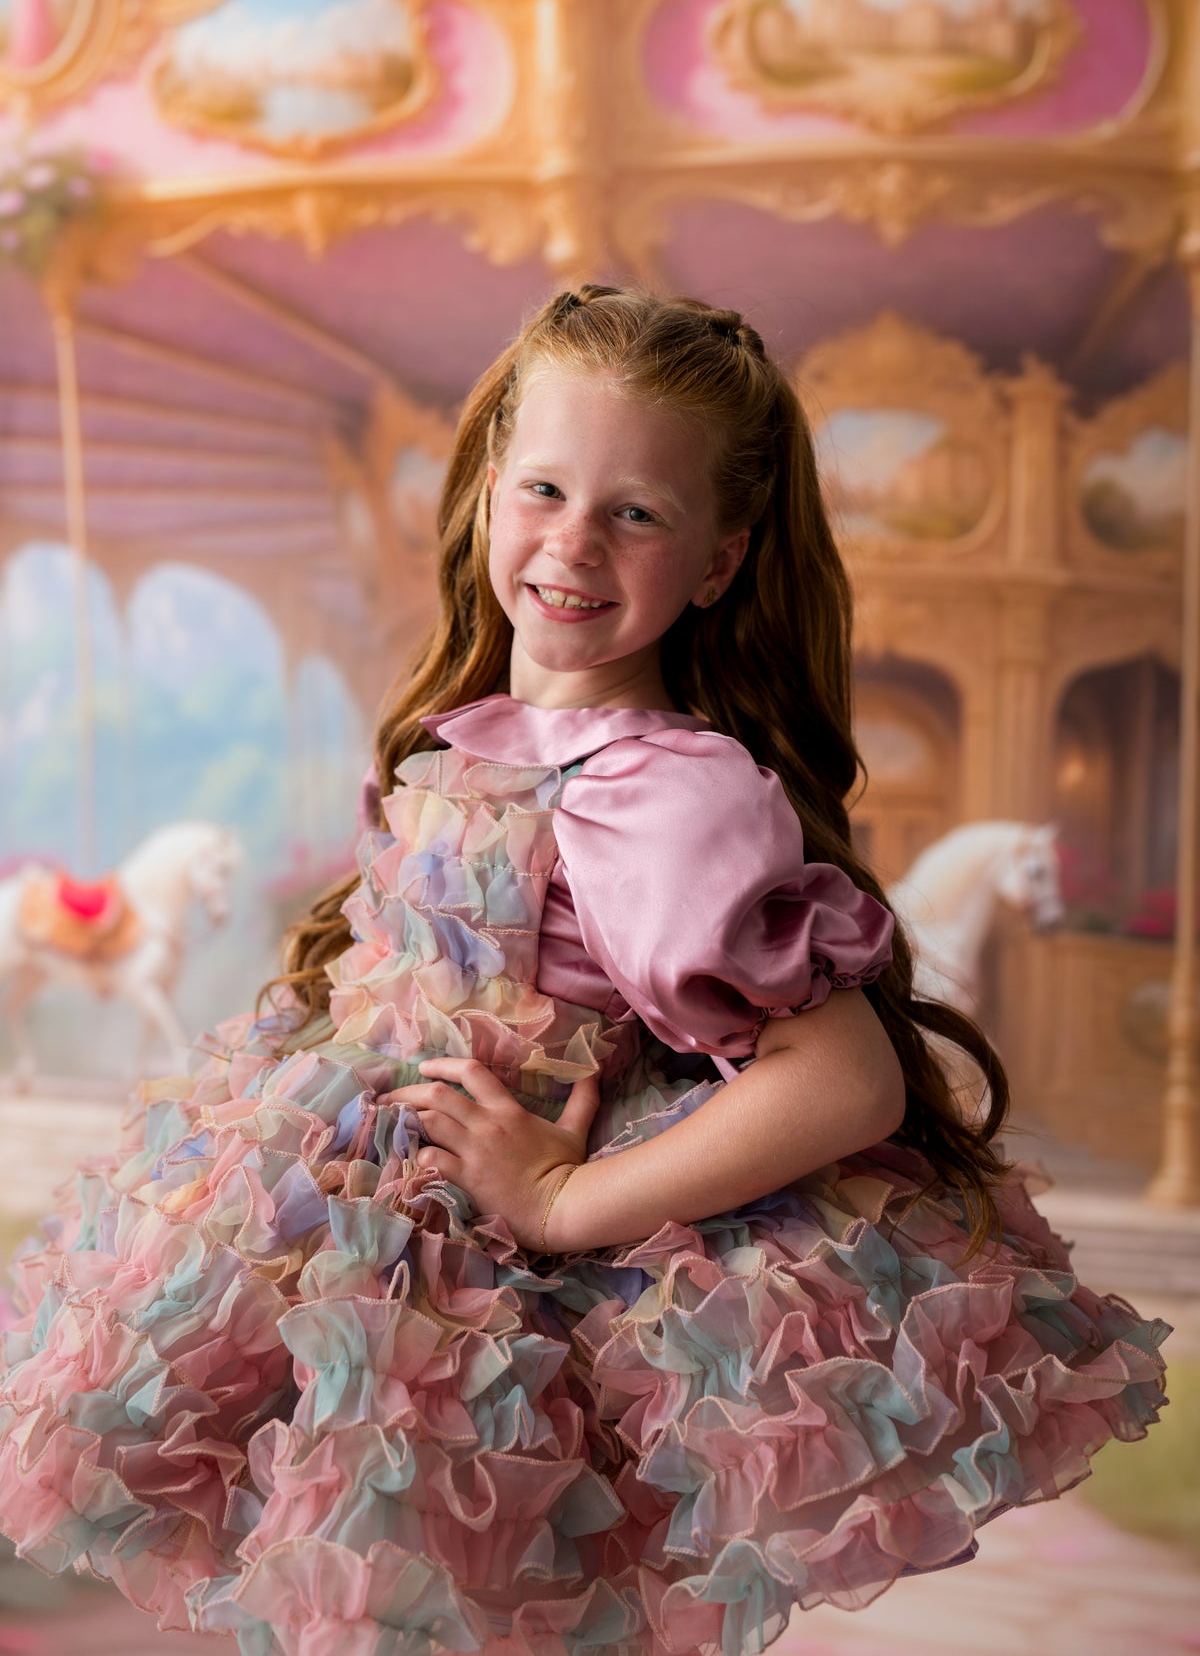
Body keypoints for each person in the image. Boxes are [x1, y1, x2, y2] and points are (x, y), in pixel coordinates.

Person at [0, 287, 1172, 1655]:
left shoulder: (660, 790)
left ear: (719, 562)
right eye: (546, 489)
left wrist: (564, 1201)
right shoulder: (474, 735)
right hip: (356, 1229)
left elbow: (844, 1079)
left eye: (637, 512)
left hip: (492, 1276)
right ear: (489, 492)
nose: (573, 541)